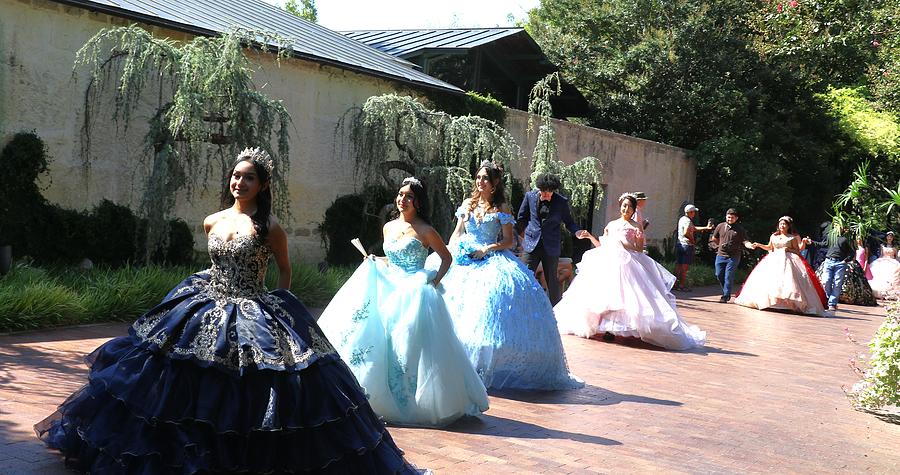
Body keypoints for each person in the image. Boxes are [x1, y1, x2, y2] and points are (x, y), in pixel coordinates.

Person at [34, 149, 419, 473]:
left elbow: (284, 269)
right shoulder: (212, 220)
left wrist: (281, 302)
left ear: (263, 185)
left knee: (255, 386)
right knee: (178, 378)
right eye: (236, 176)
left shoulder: (269, 226)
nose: (239, 183)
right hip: (203, 302)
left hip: (253, 306)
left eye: (249, 178)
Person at [317, 177, 489, 427]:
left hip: (414, 290)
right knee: (376, 335)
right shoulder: (388, 227)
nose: (402, 199)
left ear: (418, 202)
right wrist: (377, 260)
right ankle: (371, 395)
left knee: (408, 342)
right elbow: (391, 258)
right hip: (388, 285)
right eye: (400, 194)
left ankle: (411, 400)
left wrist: (434, 282)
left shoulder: (426, 230)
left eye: (409, 196)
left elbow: (446, 258)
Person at [429, 161, 583, 390]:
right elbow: (457, 232)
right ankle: (451, 362)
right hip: (464, 257)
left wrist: (486, 249)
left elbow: (509, 240)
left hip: (491, 257)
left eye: (485, 178)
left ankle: (481, 365)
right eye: (478, 177)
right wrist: (451, 251)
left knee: (488, 306)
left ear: (495, 183)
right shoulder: (468, 204)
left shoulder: (501, 207)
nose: (480, 181)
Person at [554, 193, 706, 350]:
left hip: (628, 263)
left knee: (626, 296)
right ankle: (605, 327)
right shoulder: (611, 225)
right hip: (607, 263)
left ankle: (617, 328)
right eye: (624, 205)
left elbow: (639, 249)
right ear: (620, 206)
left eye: (629, 207)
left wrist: (632, 242)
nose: (626, 209)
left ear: (634, 209)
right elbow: (602, 246)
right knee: (604, 295)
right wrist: (590, 237)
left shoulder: (636, 226)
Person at [516, 173, 589, 305]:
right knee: (523, 276)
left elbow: (569, 222)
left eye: (550, 192)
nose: (546, 194)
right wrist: (519, 237)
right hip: (531, 244)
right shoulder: (530, 197)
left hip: (551, 247)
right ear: (539, 188)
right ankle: (520, 305)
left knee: (552, 281)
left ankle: (556, 311)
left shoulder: (561, 202)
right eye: (544, 192)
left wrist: (577, 231)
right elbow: (521, 218)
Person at [734, 216, 826, 315]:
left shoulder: (792, 237)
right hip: (774, 259)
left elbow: (797, 251)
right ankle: (772, 302)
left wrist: (788, 249)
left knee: (787, 281)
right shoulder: (774, 236)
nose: (782, 226)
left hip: (789, 260)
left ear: (788, 226)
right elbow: (770, 247)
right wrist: (759, 245)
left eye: (784, 224)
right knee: (772, 280)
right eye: (781, 224)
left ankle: (786, 304)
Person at [709, 208, 753, 303]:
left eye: (732, 218)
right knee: (718, 274)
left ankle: (725, 296)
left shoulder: (740, 229)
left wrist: (749, 245)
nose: (730, 219)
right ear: (726, 216)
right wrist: (718, 246)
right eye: (729, 217)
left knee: (728, 276)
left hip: (733, 256)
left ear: (736, 218)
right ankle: (726, 291)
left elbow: (745, 240)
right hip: (721, 255)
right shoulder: (720, 226)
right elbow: (714, 238)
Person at [675, 204, 713, 291]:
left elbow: (693, 228)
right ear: (690, 212)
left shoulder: (683, 219)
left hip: (680, 244)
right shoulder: (688, 221)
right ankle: (681, 285)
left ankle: (675, 284)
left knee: (678, 265)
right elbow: (686, 232)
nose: (694, 214)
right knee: (684, 267)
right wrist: (692, 241)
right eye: (694, 212)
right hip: (687, 246)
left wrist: (706, 228)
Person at [868, 231, 900, 299]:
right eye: (888, 236)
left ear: (893, 238)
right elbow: (881, 255)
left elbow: (896, 256)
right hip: (883, 259)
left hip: (892, 261)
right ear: (886, 237)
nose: (889, 238)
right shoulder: (882, 245)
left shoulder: (895, 247)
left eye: (891, 237)